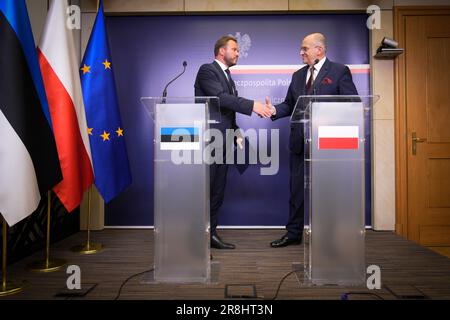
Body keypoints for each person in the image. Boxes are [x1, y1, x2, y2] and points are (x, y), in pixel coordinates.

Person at [267, 32, 358, 248]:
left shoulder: (339, 71)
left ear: (320, 50)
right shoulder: (298, 75)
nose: (301, 52)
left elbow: (352, 103)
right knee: (297, 190)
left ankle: (328, 235)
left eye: (305, 48)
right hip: (300, 142)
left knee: (328, 191)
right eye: (301, 48)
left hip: (328, 144)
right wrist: (273, 110)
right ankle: (293, 233)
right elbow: (290, 104)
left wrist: (327, 115)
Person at [194, 35, 273, 249]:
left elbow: (226, 111)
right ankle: (196, 235)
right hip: (210, 139)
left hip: (224, 139)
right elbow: (219, 98)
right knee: (206, 189)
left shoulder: (227, 75)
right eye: (235, 49)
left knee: (217, 189)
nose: (238, 53)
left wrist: (236, 131)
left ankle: (210, 234)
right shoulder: (207, 70)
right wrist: (253, 105)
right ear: (222, 51)